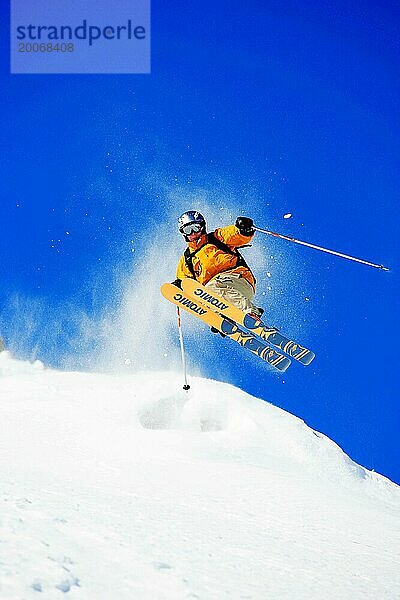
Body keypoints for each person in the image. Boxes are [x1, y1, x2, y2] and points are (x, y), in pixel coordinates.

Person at [173, 211, 263, 326]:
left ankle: (250, 313)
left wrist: (243, 230)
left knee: (210, 288)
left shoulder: (216, 238)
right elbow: (186, 283)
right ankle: (224, 319)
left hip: (239, 280)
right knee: (203, 296)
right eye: (187, 230)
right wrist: (179, 285)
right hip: (220, 294)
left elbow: (234, 235)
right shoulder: (187, 259)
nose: (193, 234)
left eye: (195, 228)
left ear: (202, 227)